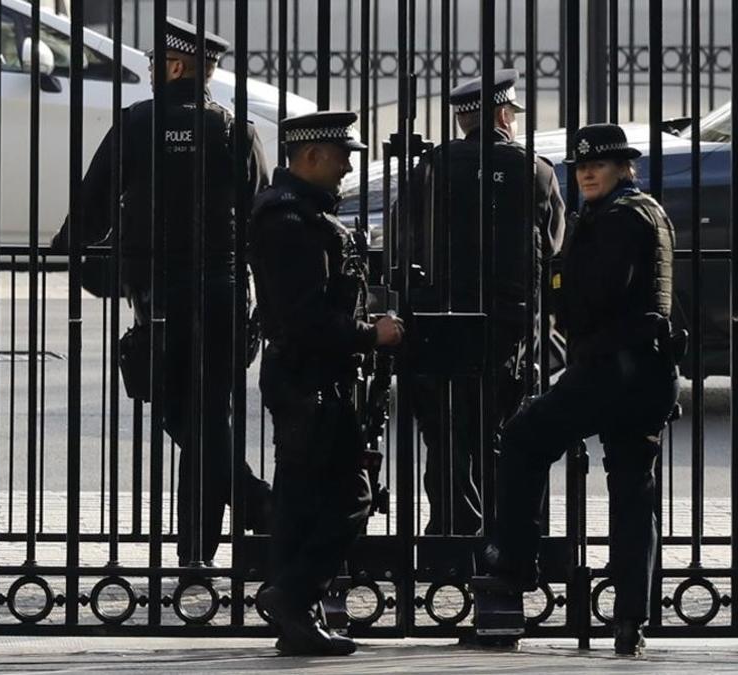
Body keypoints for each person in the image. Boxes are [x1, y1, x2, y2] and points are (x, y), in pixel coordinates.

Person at [50, 17, 272, 568]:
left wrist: (84, 261)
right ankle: (207, 543)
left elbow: (90, 206)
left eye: (154, 64)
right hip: (222, 292)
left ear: (174, 66)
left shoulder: (137, 124)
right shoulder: (235, 130)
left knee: (179, 413)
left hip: (158, 295)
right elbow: (260, 220)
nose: (151, 72)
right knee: (209, 415)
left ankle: (246, 517)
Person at [481, 123, 680, 657]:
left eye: (599, 165)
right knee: (633, 486)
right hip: (648, 368)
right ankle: (630, 619)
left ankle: (514, 567)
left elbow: (594, 295)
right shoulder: (644, 211)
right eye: (581, 166)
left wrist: (559, 282)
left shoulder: (615, 219)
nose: (587, 173)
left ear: (623, 168)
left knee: (524, 438)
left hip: (610, 368)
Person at [251, 111, 405, 656]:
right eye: (341, 156)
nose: (347, 167)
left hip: (307, 378)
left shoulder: (298, 215)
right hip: (311, 379)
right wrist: (374, 334)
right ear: (311, 155)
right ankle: (292, 597)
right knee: (352, 497)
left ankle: (296, 620)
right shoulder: (290, 224)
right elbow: (307, 320)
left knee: (300, 498)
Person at [407, 69, 565, 535]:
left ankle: (449, 526)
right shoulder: (534, 169)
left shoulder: (431, 167)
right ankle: (502, 531)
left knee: (444, 427)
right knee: (498, 427)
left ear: (463, 120)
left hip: (442, 315)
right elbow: (553, 244)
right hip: (508, 321)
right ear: (503, 113)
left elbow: (405, 241)